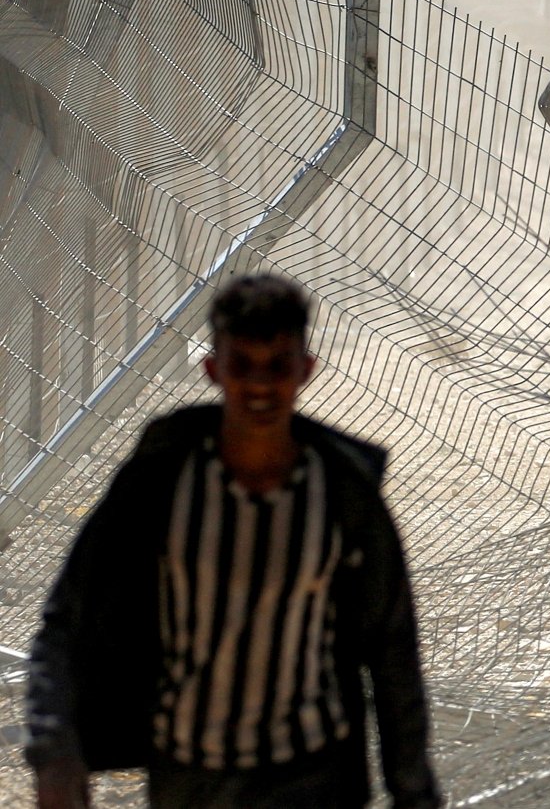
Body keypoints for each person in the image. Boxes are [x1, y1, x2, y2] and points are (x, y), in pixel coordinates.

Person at [24, 274, 441, 808]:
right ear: (213, 369)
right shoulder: (161, 483)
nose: (260, 386)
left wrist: (414, 791)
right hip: (190, 776)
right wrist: (54, 749)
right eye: (243, 365)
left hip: (314, 778)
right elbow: (67, 619)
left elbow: (391, 649)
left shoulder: (342, 493)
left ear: (305, 371)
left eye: (278, 366)